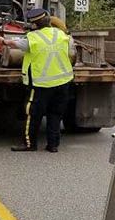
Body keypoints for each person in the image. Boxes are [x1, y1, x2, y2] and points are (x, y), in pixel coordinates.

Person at [11, 8, 76, 153]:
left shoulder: (32, 38)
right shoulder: (61, 34)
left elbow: (15, 44)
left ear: (34, 24)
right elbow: (71, 50)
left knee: (33, 114)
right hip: (63, 82)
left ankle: (30, 144)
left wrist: (4, 41)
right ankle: (53, 145)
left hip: (41, 84)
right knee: (55, 114)